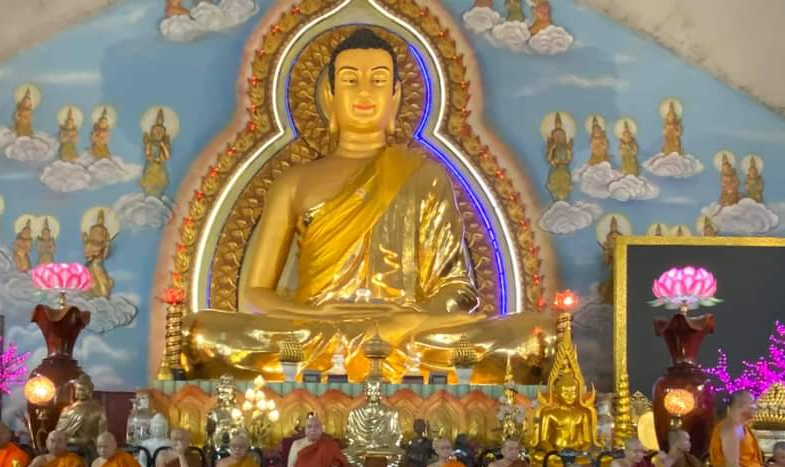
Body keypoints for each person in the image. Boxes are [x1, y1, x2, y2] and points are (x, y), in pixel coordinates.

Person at [187, 27, 549, 381]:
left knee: (537, 336)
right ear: (329, 95)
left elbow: (457, 289)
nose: (364, 91)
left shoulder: (424, 176)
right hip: (314, 330)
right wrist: (318, 315)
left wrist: (410, 320)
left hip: (407, 331)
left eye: (378, 81)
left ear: (395, 95)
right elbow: (256, 293)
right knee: (198, 333)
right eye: (350, 80)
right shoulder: (293, 182)